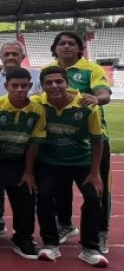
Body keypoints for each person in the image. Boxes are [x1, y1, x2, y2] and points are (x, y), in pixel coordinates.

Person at [43, 31, 113, 254]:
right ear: (55, 48)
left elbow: (104, 94)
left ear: (79, 48)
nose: (66, 46)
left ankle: (100, 231)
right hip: (57, 137)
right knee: (60, 186)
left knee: (98, 187)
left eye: (71, 43)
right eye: (62, 43)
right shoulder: (48, 69)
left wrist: (96, 98)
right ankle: (65, 224)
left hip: (92, 137)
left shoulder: (91, 69)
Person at [32, 66, 107, 267]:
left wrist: (95, 173)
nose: (54, 86)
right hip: (48, 160)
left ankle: (90, 248)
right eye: (49, 82)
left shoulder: (86, 106)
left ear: (67, 83)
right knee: (44, 196)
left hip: (80, 160)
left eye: (59, 81)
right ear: (42, 86)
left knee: (93, 197)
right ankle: (50, 243)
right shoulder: (37, 103)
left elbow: (97, 140)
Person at [0, 68, 45, 260]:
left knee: (26, 196)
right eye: (14, 85)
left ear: (30, 86)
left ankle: (23, 238)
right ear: (6, 86)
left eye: (24, 86)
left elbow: (33, 143)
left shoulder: (38, 111)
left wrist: (29, 172)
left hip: (18, 161)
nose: (19, 89)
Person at [0, 40, 42, 242]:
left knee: (25, 189)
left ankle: (24, 234)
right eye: (6, 54)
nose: (10, 57)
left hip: (24, 138)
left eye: (15, 54)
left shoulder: (37, 75)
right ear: (0, 57)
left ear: (23, 57)